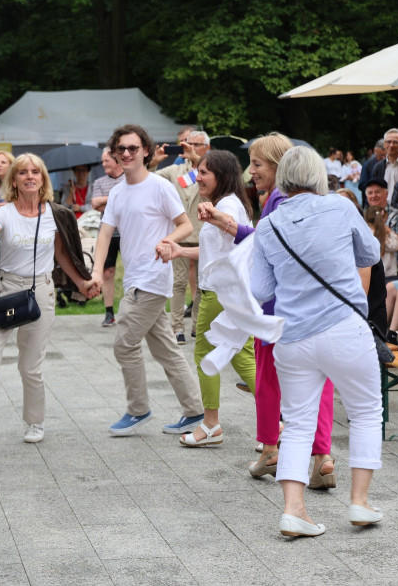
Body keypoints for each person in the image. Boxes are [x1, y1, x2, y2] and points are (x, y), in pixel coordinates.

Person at [251, 146, 384, 537]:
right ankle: (359, 503)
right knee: (364, 413)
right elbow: (372, 253)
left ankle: (294, 510)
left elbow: (261, 289)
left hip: (293, 338)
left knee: (295, 424)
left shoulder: (268, 226)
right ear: (318, 176)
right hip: (345, 328)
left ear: (284, 178)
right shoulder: (341, 209)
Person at [223, 133, 337, 486]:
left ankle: (271, 449)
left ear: (279, 166)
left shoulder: (276, 200)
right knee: (320, 379)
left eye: (257, 164)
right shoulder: (319, 202)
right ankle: (323, 457)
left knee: (267, 380)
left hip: (277, 309)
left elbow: (261, 248)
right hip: (319, 308)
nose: (250, 171)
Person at [90, 124, 206, 436]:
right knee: (167, 350)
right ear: (115, 153)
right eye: (121, 149)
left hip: (151, 280)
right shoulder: (116, 192)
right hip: (136, 280)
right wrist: (97, 272)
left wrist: (167, 241)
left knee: (124, 344)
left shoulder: (159, 186)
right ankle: (196, 412)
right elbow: (104, 234)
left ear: (145, 152)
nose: (126, 153)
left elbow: (184, 225)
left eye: (132, 148)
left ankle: (138, 409)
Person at [0, 153, 96, 443]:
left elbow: (62, 254)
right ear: (13, 180)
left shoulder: (54, 214)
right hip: (5, 290)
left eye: (35, 172)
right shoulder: (3, 213)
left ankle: (35, 422)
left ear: (42, 179)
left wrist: (81, 282)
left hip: (40, 291)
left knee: (30, 366)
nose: (30, 176)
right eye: (22, 172)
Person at [156, 150, 255, 446]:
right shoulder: (232, 202)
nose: (197, 177)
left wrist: (216, 215)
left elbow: (239, 233)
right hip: (228, 292)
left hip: (220, 294)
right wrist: (181, 251)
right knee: (242, 356)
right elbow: (219, 250)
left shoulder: (227, 206)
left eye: (204, 172)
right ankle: (279, 421)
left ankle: (211, 425)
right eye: (198, 171)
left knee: (206, 356)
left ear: (222, 176)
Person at [156, 130, 209, 344]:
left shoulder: (210, 170)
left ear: (207, 148)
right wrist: (154, 160)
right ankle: (177, 327)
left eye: (197, 144)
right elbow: (149, 179)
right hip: (181, 233)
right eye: (189, 144)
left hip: (204, 233)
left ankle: (197, 324)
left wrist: (198, 160)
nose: (192, 148)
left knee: (203, 283)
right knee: (178, 283)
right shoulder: (176, 170)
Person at [90, 147, 124, 327]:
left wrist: (107, 202)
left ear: (116, 160)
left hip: (127, 232)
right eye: (102, 161)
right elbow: (95, 204)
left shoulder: (128, 178)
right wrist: (118, 198)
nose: (103, 165)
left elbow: (130, 201)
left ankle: (131, 310)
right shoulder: (99, 182)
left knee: (132, 270)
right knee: (107, 272)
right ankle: (109, 312)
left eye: (106, 161)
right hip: (109, 233)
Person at [365, 178, 398, 276]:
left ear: (386, 194)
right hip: (368, 271)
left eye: (377, 192)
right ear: (366, 197)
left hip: (391, 271)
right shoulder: (363, 216)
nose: (373, 196)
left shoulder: (396, 215)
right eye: (370, 193)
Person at [369, 128, 398, 202]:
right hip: (383, 208)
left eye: (395, 142)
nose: (391, 145)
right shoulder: (378, 167)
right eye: (388, 142)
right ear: (384, 144)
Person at [364, 206, 398, 277]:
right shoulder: (383, 235)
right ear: (383, 220)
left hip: (370, 275)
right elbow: (396, 245)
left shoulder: (365, 233)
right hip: (387, 274)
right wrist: (391, 232)